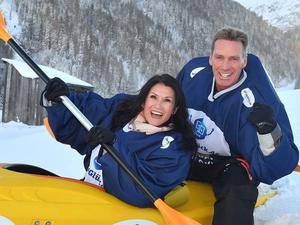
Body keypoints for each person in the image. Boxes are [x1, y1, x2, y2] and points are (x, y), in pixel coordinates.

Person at [177, 27, 299, 225]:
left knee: (237, 184)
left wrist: (267, 131)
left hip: (226, 165)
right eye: (219, 57)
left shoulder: (254, 100)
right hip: (187, 155)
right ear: (210, 58)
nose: (225, 66)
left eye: (234, 59)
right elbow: (162, 106)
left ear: (244, 61)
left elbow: (276, 166)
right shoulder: (193, 72)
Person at [41, 74, 197, 208]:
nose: (158, 106)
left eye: (167, 101)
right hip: (87, 192)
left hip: (119, 211)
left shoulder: (176, 147)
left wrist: (114, 144)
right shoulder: (124, 111)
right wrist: (63, 97)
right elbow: (90, 109)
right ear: (143, 101)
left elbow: (142, 191)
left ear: (175, 109)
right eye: (153, 97)